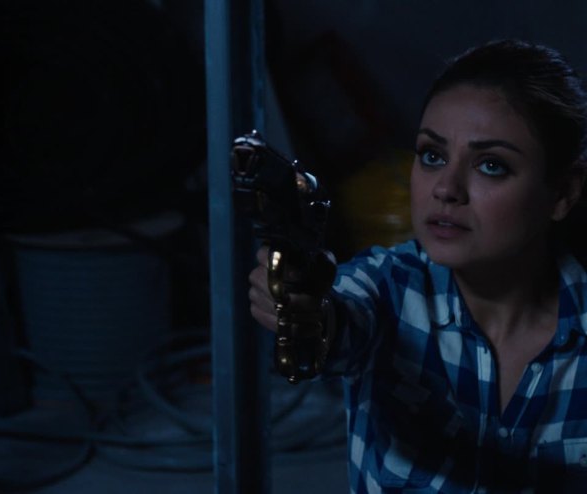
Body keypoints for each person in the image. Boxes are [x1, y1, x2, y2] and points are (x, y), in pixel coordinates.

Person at [248, 39, 587, 493]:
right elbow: (341, 318)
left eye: (491, 165)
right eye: (432, 155)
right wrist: (302, 305)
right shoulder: (386, 287)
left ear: (562, 192)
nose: (446, 188)